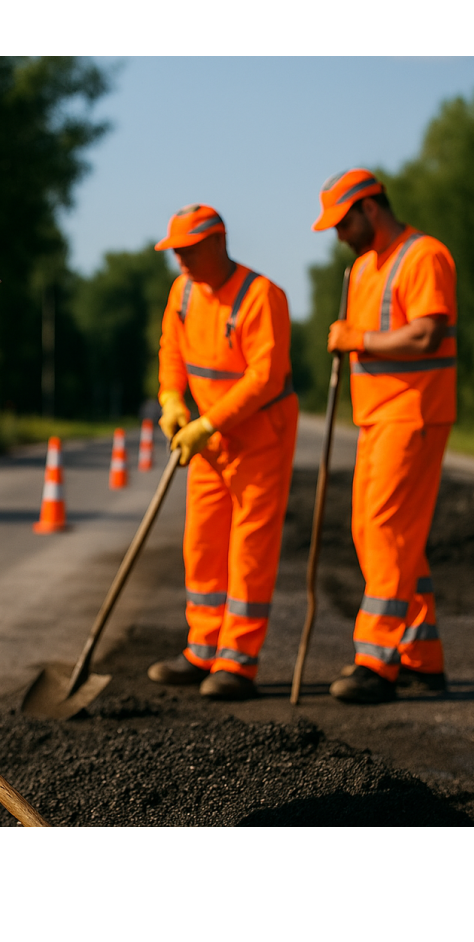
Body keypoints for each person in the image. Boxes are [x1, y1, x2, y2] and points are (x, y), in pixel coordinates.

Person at [313, 168, 456, 704]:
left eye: (342, 223)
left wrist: (359, 338)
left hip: (414, 413)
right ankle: (423, 657)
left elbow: (426, 332)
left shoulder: (424, 256)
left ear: (370, 208)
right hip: (377, 418)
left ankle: (376, 661)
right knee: (377, 533)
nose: (337, 235)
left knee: (387, 529)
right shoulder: (365, 268)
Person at [148, 203, 298, 701]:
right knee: (203, 543)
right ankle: (203, 649)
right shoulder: (183, 291)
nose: (182, 262)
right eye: (176, 253)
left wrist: (207, 423)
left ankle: (238, 659)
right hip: (209, 440)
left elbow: (264, 377)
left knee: (249, 549)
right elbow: (172, 349)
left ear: (219, 242)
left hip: (259, 436)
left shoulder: (261, 296)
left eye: (190, 251)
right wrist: (171, 400)